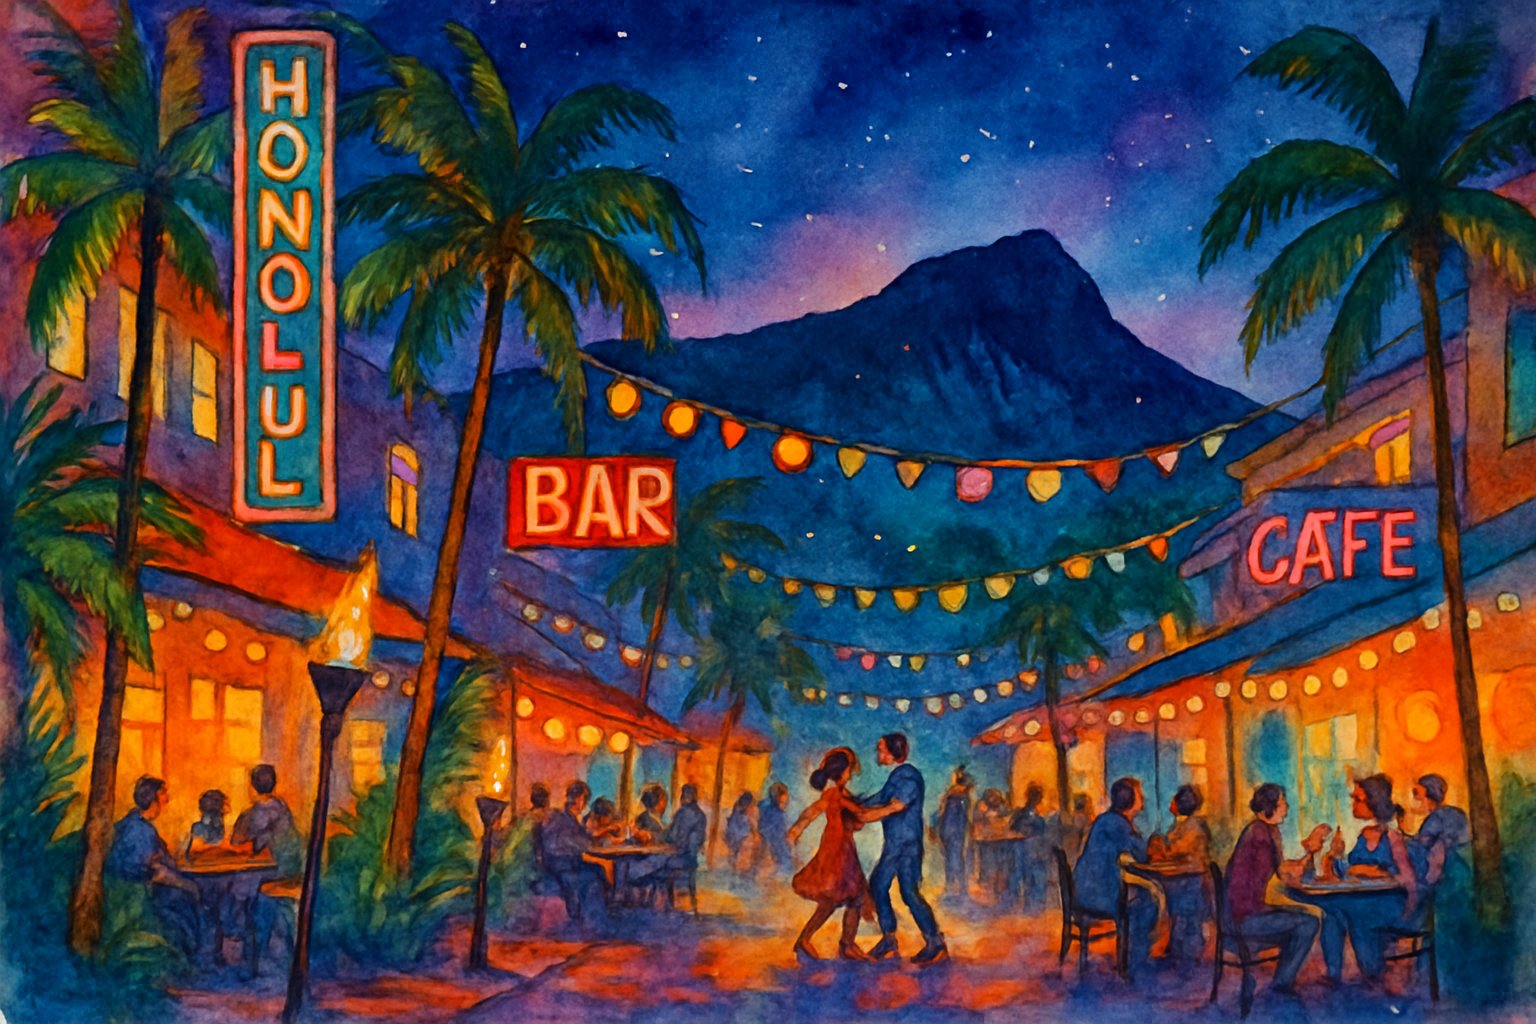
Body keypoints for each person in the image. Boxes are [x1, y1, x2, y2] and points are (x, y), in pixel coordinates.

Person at [1316, 774, 1422, 985]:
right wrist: (1334, 855)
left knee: (1357, 915)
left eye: (1358, 799)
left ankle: (1372, 971)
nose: (1353, 804)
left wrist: (1375, 871)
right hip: (1365, 900)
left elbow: (1407, 879)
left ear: (1374, 802)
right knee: (1331, 913)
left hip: (1391, 905)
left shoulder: (1392, 837)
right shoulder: (1363, 835)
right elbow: (1346, 871)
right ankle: (1333, 973)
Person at [1223, 783, 1324, 996]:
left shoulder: (1263, 830)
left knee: (1299, 919)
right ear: (1270, 806)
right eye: (1282, 802)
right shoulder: (1260, 834)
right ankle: (1282, 984)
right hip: (1242, 919)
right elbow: (1287, 874)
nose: (1287, 806)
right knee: (1309, 923)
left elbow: (1284, 872)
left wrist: (1309, 852)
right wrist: (1310, 851)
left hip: (1242, 914)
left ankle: (1282, 981)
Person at [862, 733, 948, 964]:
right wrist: (855, 804)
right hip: (899, 843)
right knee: (901, 890)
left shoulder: (908, 775)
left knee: (884, 886)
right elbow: (880, 798)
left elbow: (896, 806)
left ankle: (918, 940)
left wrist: (865, 816)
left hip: (904, 844)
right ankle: (928, 941)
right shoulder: (897, 776)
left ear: (892, 753)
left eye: (881, 749)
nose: (878, 753)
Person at [787, 748, 877, 960]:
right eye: (849, 771)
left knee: (838, 900)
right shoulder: (835, 795)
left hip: (842, 847)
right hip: (837, 850)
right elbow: (860, 814)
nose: (850, 775)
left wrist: (797, 828)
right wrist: (892, 809)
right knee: (850, 897)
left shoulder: (842, 794)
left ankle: (815, 941)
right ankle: (843, 944)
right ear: (841, 772)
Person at [105, 776, 201, 955]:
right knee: (189, 897)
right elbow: (152, 872)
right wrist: (188, 886)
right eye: (163, 794)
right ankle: (190, 955)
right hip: (136, 896)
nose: (167, 799)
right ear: (152, 799)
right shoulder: (140, 830)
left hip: (135, 890)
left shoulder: (131, 822)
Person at [1074, 777, 1155, 975]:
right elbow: (1142, 854)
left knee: (1144, 894)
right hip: (1097, 895)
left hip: (1087, 890)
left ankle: (1134, 957)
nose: (1143, 798)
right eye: (1139, 795)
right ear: (1129, 800)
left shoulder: (1107, 820)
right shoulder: (1117, 824)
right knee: (1147, 902)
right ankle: (1135, 962)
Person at [1150, 784, 1213, 962]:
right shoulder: (1180, 824)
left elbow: (1176, 850)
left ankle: (1188, 950)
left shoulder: (1192, 826)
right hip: (1181, 876)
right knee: (1173, 905)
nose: (1171, 802)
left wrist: (1160, 846)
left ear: (1180, 803)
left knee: (1186, 911)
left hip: (1192, 878)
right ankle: (1177, 946)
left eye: (1174, 799)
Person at [539, 781, 608, 922]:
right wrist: (591, 842)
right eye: (584, 799)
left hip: (567, 864)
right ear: (576, 798)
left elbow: (584, 839)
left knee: (599, 869)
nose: (585, 804)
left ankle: (590, 913)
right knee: (596, 874)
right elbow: (579, 843)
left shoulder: (569, 818)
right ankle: (589, 917)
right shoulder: (561, 819)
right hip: (561, 867)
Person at [231, 764, 300, 877]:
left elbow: (236, 843)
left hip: (271, 870)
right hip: (290, 867)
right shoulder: (282, 807)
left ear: (252, 787)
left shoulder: (253, 813)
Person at [1410, 773, 1469, 887]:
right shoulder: (1458, 813)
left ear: (1429, 797)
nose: (1416, 802)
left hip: (1445, 873)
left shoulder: (1436, 817)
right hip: (1462, 869)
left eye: (1419, 797)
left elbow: (1423, 843)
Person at [1009, 783, 1049, 910]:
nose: (1037, 799)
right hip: (1023, 847)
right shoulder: (1021, 813)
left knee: (1032, 875)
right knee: (1024, 875)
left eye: (1038, 797)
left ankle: (1031, 905)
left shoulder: (1037, 816)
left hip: (1033, 847)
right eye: (1035, 796)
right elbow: (1013, 828)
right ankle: (1027, 904)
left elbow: (1043, 832)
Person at [935, 767, 973, 898]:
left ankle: (957, 889)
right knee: (952, 859)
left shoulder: (958, 798)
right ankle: (955, 888)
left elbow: (958, 818)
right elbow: (942, 815)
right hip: (950, 832)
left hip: (954, 832)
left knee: (955, 859)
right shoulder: (953, 797)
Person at [973, 788, 1010, 897]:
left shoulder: (1000, 807)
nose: (996, 800)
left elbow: (1005, 815)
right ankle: (985, 880)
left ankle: (995, 883)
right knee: (986, 859)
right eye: (993, 797)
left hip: (997, 837)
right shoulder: (981, 806)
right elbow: (979, 820)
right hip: (984, 838)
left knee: (997, 860)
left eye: (997, 798)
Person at [666, 784, 708, 873]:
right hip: (693, 860)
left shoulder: (681, 814)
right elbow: (701, 839)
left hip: (679, 858)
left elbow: (671, 836)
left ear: (684, 798)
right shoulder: (702, 815)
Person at [759, 783, 793, 873]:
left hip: (774, 850)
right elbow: (773, 837)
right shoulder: (777, 815)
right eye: (782, 803)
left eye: (785, 802)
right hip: (775, 852)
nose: (785, 804)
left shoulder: (764, 806)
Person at [726, 791, 760, 874]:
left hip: (738, 836)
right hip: (739, 836)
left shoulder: (742, 812)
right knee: (742, 849)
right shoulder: (740, 814)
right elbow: (738, 829)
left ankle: (740, 868)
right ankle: (740, 868)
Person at [1058, 792, 1093, 862]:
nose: (1091, 807)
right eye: (1089, 804)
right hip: (1077, 854)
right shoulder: (1083, 818)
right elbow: (1085, 838)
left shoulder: (1071, 817)